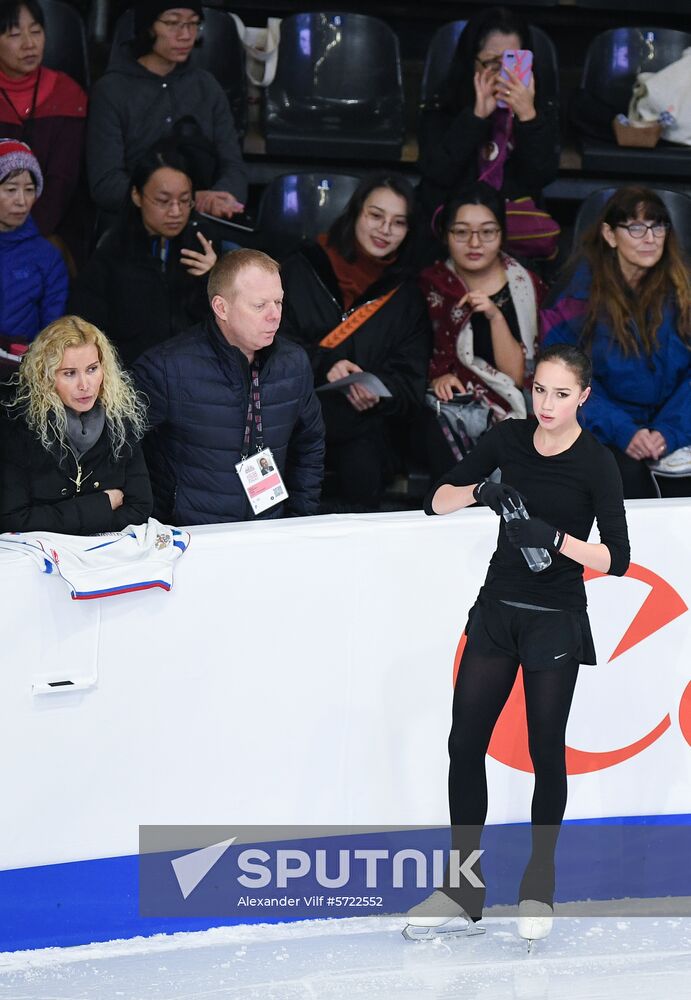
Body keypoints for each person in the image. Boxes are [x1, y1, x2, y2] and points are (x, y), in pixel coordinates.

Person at [405, 343, 630, 945]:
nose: (548, 405)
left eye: (562, 394)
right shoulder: (507, 440)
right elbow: (435, 501)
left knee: (544, 749)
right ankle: (463, 887)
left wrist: (556, 540)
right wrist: (482, 493)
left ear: (584, 396)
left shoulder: (596, 462)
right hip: (496, 611)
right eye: (540, 391)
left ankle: (538, 882)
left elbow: (618, 559)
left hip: (555, 618)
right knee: (464, 744)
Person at [133, 248, 325, 525]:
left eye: (279, 302)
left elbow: (310, 444)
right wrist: (150, 521)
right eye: (260, 306)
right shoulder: (167, 367)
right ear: (221, 307)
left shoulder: (294, 363)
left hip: (268, 531)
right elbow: (117, 445)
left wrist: (298, 521)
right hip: (188, 537)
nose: (275, 316)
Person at [278, 172, 431, 510]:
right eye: (376, 215)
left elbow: (411, 384)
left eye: (398, 222)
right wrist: (325, 364)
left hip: (363, 426)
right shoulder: (302, 267)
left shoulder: (407, 297)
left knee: (364, 466)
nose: (385, 230)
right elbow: (269, 342)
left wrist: (376, 391)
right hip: (292, 414)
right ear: (355, 213)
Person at [541, 187, 691, 499]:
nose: (650, 238)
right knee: (622, 479)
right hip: (601, 430)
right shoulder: (574, 301)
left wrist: (667, 433)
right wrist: (626, 432)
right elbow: (564, 381)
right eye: (636, 227)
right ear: (610, 235)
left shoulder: (683, 293)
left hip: (672, 431)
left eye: (658, 226)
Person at [420, 182, 545, 476]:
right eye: (461, 232)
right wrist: (437, 374)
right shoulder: (430, 285)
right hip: (452, 406)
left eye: (487, 232)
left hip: (515, 402)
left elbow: (516, 376)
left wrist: (494, 316)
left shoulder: (526, 285)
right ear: (446, 234)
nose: (474, 243)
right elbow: (413, 350)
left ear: (501, 234)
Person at [417, 6, 559, 263]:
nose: (502, 73)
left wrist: (527, 117)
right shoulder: (443, 106)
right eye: (492, 62)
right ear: (471, 61)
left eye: (512, 62)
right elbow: (435, 173)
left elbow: (541, 176)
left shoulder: (538, 110)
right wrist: (475, 118)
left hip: (513, 242)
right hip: (451, 240)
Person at [87, 1, 247, 220]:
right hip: (135, 221)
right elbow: (105, 183)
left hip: (204, 219)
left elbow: (233, 164)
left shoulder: (206, 86)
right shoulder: (111, 90)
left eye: (193, 24)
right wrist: (181, 201)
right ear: (149, 27)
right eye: (173, 23)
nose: (185, 35)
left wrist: (221, 198)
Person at [0, 315, 152, 533]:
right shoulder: (17, 426)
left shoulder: (122, 419)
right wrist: (103, 504)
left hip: (105, 556)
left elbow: (140, 509)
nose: (85, 385)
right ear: (46, 376)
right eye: (69, 373)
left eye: (92, 369)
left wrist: (58, 517)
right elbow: (13, 519)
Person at [69, 145, 216, 367]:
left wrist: (215, 279)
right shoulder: (111, 253)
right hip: (130, 378)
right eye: (163, 201)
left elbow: (222, 332)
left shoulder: (203, 249)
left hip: (192, 376)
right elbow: (85, 328)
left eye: (185, 200)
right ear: (137, 196)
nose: (176, 212)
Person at [0, 1, 87, 240]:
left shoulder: (67, 94)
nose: (30, 44)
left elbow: (62, 181)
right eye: (15, 34)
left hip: (51, 227)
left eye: (36, 32)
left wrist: (27, 233)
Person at [0, 138, 68, 373]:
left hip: (19, 371)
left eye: (29, 190)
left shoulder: (47, 256)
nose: (21, 200)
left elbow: (52, 329)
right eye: (10, 189)